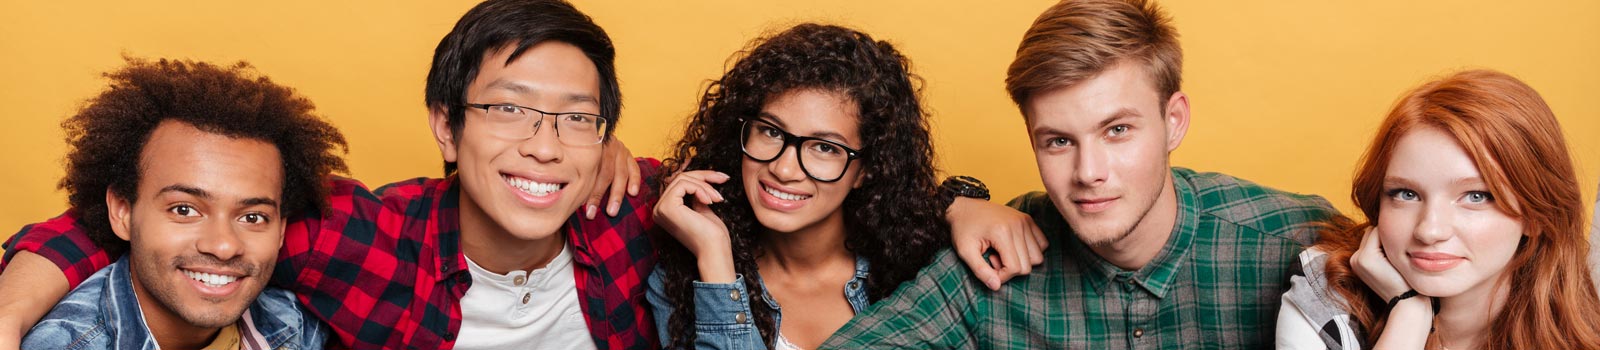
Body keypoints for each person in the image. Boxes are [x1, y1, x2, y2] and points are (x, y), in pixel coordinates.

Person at [0, 1, 1046, 348]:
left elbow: (824, 183)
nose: (544, 145)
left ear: (604, 137)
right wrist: (15, 294)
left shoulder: (640, 210)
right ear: (445, 127)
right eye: (508, 110)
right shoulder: (365, 234)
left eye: (574, 119)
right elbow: (181, 219)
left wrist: (963, 200)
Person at [821, 0, 1340, 348]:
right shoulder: (997, 260)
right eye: (1059, 141)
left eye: (1117, 130)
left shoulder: (1295, 242)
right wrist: (949, 204)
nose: (1088, 173)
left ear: (1173, 121)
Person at [646, 23, 1026, 349]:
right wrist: (716, 258)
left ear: (867, 169)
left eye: (825, 147)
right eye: (771, 131)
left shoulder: (917, 268)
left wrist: (963, 203)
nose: (783, 168)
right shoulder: (681, 278)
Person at [16, 58, 337, 349]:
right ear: (123, 212)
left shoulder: (296, 325)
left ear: (280, 231)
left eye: (253, 217)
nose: (224, 246)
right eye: (184, 210)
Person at [1276, 70, 1600, 349]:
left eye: (1475, 197)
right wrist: (1409, 315)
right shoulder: (1327, 296)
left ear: (1534, 215)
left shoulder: (1580, 324)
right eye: (1406, 194)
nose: (1429, 230)